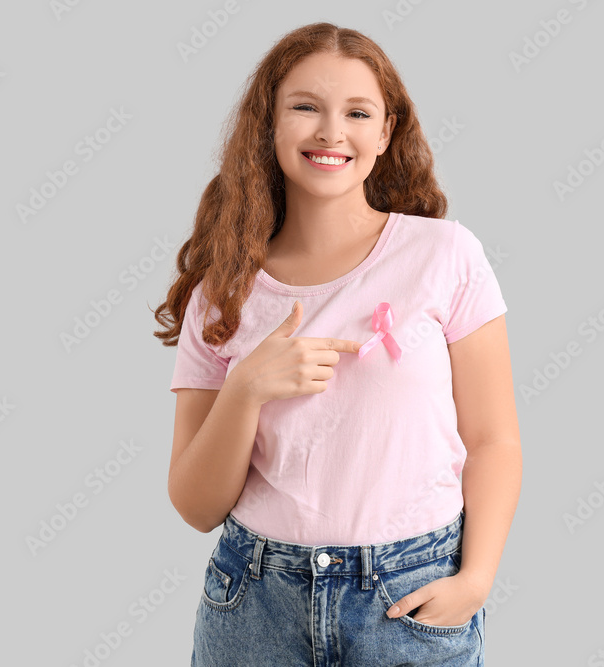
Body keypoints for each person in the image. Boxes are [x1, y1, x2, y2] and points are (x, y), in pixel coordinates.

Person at [153, 21, 522, 666]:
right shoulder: (223, 292)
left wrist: (477, 579)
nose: (330, 131)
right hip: (254, 601)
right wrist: (245, 389)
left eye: (357, 112)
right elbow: (195, 504)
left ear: (385, 133)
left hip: (410, 595)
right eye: (304, 107)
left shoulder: (444, 255)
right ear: (267, 125)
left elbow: (494, 438)